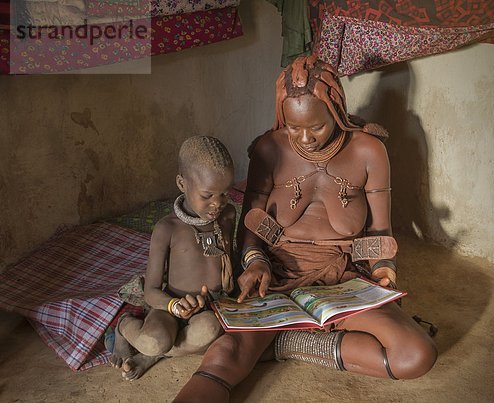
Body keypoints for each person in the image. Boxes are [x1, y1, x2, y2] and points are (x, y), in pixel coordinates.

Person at [174, 55, 437, 402]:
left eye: (316, 126)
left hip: (345, 274)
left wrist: (383, 269)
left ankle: (287, 342)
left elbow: (378, 231)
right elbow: (252, 224)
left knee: (416, 354)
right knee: (225, 355)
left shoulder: (369, 150)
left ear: (337, 112)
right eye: (294, 127)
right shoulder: (269, 148)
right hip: (277, 273)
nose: (305, 138)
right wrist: (256, 262)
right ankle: (285, 334)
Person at [109, 135, 237, 380]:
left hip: (208, 307)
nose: (218, 203)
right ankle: (124, 328)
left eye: (225, 194)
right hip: (169, 305)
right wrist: (174, 307)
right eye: (208, 195)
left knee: (211, 329)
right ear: (182, 183)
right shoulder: (167, 228)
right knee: (154, 341)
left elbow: (231, 259)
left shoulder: (228, 216)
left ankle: (152, 356)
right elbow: (151, 291)